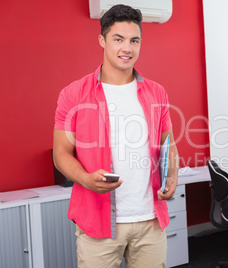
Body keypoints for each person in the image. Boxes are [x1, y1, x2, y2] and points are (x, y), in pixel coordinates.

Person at [52, 5, 179, 268]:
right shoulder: (73, 94)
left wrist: (172, 177)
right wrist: (86, 179)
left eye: (134, 40)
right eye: (118, 39)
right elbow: (61, 153)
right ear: (102, 40)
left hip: (149, 220)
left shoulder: (157, 93)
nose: (127, 48)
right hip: (98, 222)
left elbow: (169, 144)